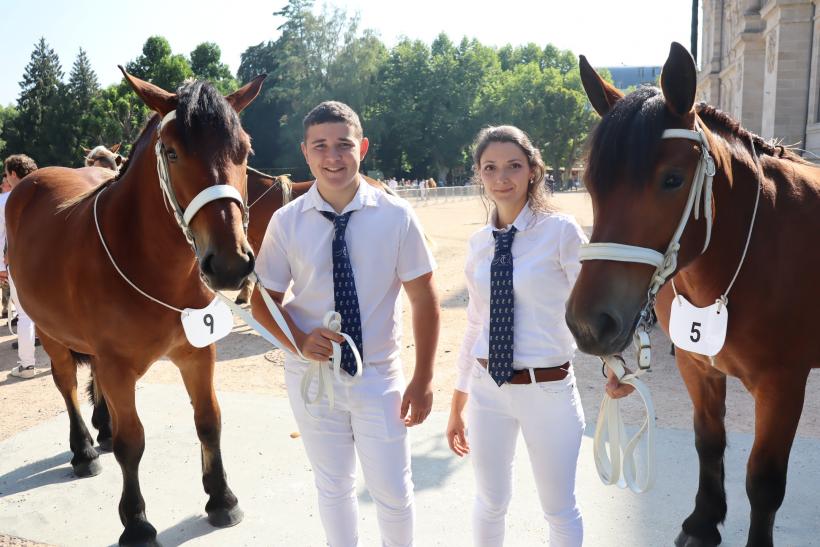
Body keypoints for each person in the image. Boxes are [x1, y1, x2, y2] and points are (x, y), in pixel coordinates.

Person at [251, 100, 440, 547]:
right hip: (312, 376)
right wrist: (297, 340)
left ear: (363, 148)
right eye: (321, 146)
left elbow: (425, 298)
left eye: (343, 145)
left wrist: (424, 378)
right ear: (306, 152)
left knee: (392, 491)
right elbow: (264, 301)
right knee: (333, 485)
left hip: (377, 376)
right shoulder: (286, 221)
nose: (332, 157)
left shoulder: (396, 216)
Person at [446, 126, 587, 546]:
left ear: (533, 171)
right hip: (488, 390)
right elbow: (475, 322)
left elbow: (590, 310)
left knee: (558, 508)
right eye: (490, 168)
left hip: (548, 390)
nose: (501, 177)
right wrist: (458, 401)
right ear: (480, 175)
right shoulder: (478, 244)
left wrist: (616, 366)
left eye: (513, 166)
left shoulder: (561, 233)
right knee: (489, 502)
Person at [2, 154, 39, 379]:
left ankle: (27, 365)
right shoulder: (49, 193)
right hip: (50, 265)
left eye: (6, 174)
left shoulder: (6, 200)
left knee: (25, 315)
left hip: (21, 265)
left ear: (13, 174)